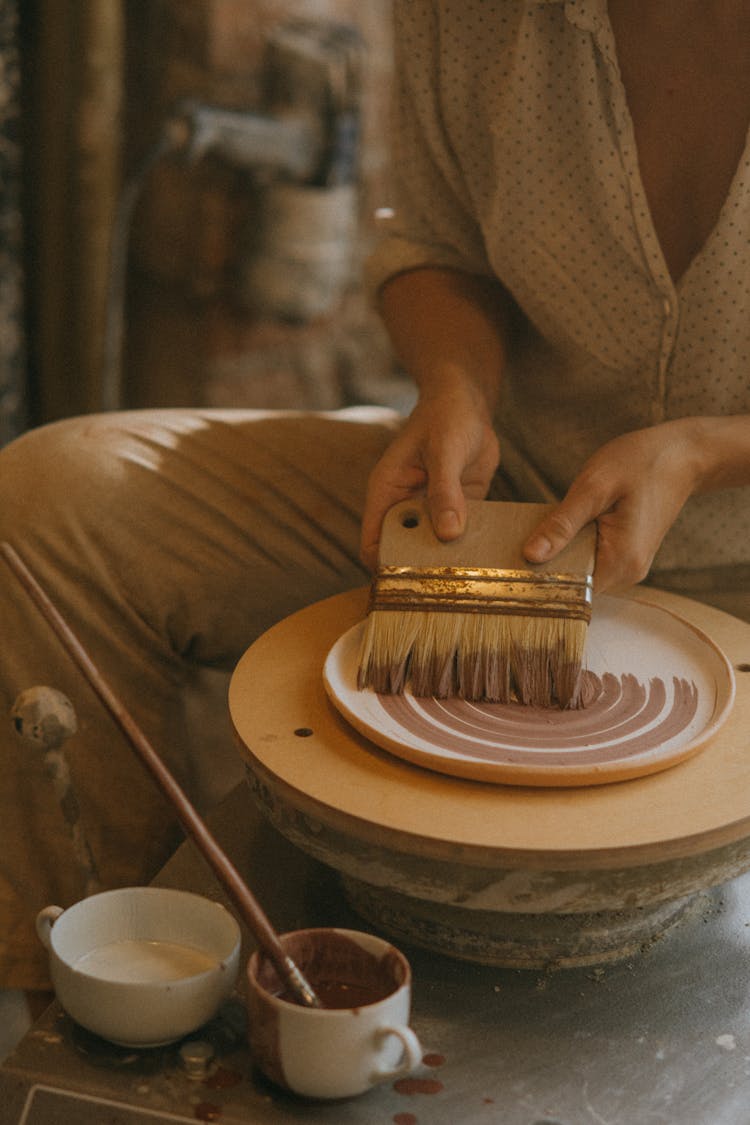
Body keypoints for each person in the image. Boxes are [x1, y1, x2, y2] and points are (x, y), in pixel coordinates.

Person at [2, 0, 750, 995]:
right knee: (52, 504)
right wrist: (455, 388)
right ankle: (106, 991)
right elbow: (430, 244)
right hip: (521, 501)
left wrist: (705, 451)